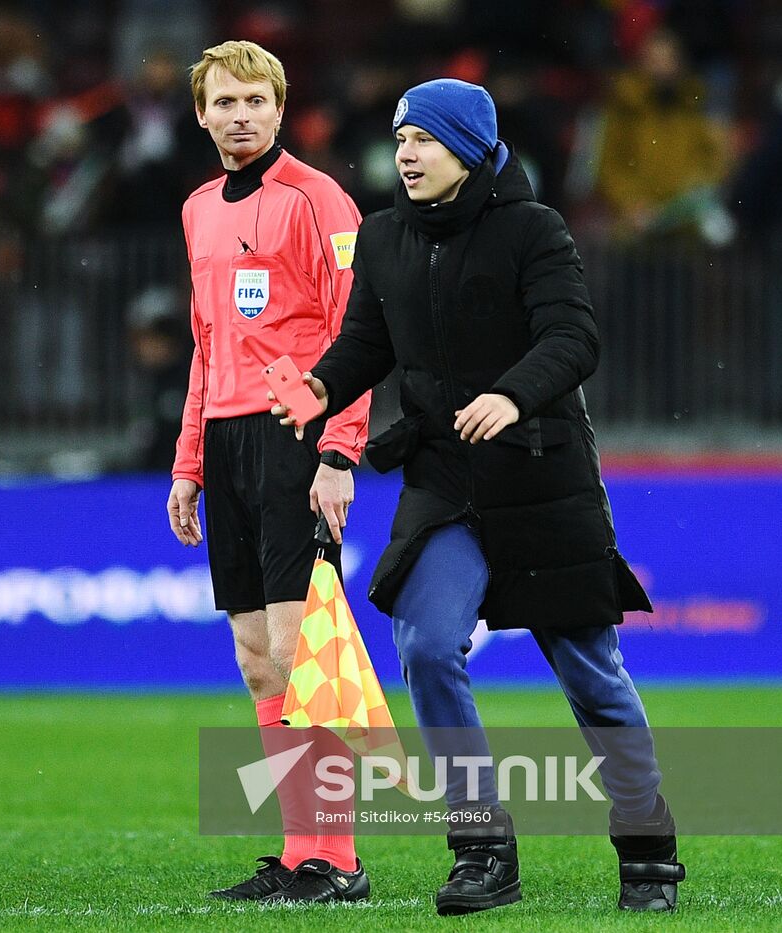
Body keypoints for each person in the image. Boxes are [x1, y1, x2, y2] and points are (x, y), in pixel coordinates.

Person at [274, 78, 685, 915]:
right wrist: (322, 385)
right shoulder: (383, 237)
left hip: (543, 479)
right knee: (427, 646)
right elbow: (365, 342)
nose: (406, 154)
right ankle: (482, 850)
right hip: (445, 482)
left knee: (593, 676)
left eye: (423, 139)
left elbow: (574, 336)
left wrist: (512, 394)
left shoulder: (535, 230)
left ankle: (648, 849)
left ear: (468, 148)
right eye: (400, 140)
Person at [167, 40, 370, 904]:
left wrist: (339, 450)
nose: (241, 115)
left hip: (297, 436)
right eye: (225, 102)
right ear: (202, 114)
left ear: (281, 110)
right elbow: (206, 342)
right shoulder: (196, 208)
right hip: (224, 441)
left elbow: (358, 334)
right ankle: (297, 852)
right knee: (257, 661)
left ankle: (340, 859)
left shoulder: (319, 199)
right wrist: (188, 461)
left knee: (301, 652)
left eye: (256, 101)